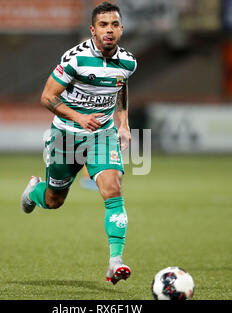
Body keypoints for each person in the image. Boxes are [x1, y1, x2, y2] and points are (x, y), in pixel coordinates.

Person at [20, 2, 137, 285]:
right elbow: (47, 97)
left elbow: (120, 87)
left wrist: (124, 124)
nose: (109, 30)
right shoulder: (75, 59)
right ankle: (34, 191)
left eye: (114, 24)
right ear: (93, 30)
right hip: (66, 136)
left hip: (102, 135)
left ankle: (115, 262)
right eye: (103, 25)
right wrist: (79, 118)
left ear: (121, 28)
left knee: (113, 189)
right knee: (54, 200)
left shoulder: (129, 62)